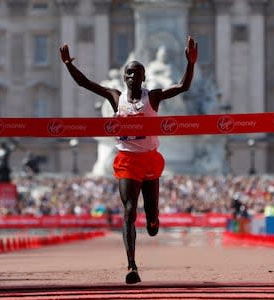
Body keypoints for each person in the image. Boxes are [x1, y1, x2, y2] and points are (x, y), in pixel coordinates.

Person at [60, 36, 198, 284]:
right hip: (127, 160)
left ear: (143, 78)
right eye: (129, 74)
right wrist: (69, 64)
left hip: (150, 159)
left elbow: (182, 87)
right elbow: (85, 83)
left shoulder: (152, 97)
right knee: (129, 210)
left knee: (151, 217)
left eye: (136, 73)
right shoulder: (115, 97)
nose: (132, 77)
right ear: (124, 78)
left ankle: (154, 219)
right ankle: (132, 265)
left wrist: (191, 63)